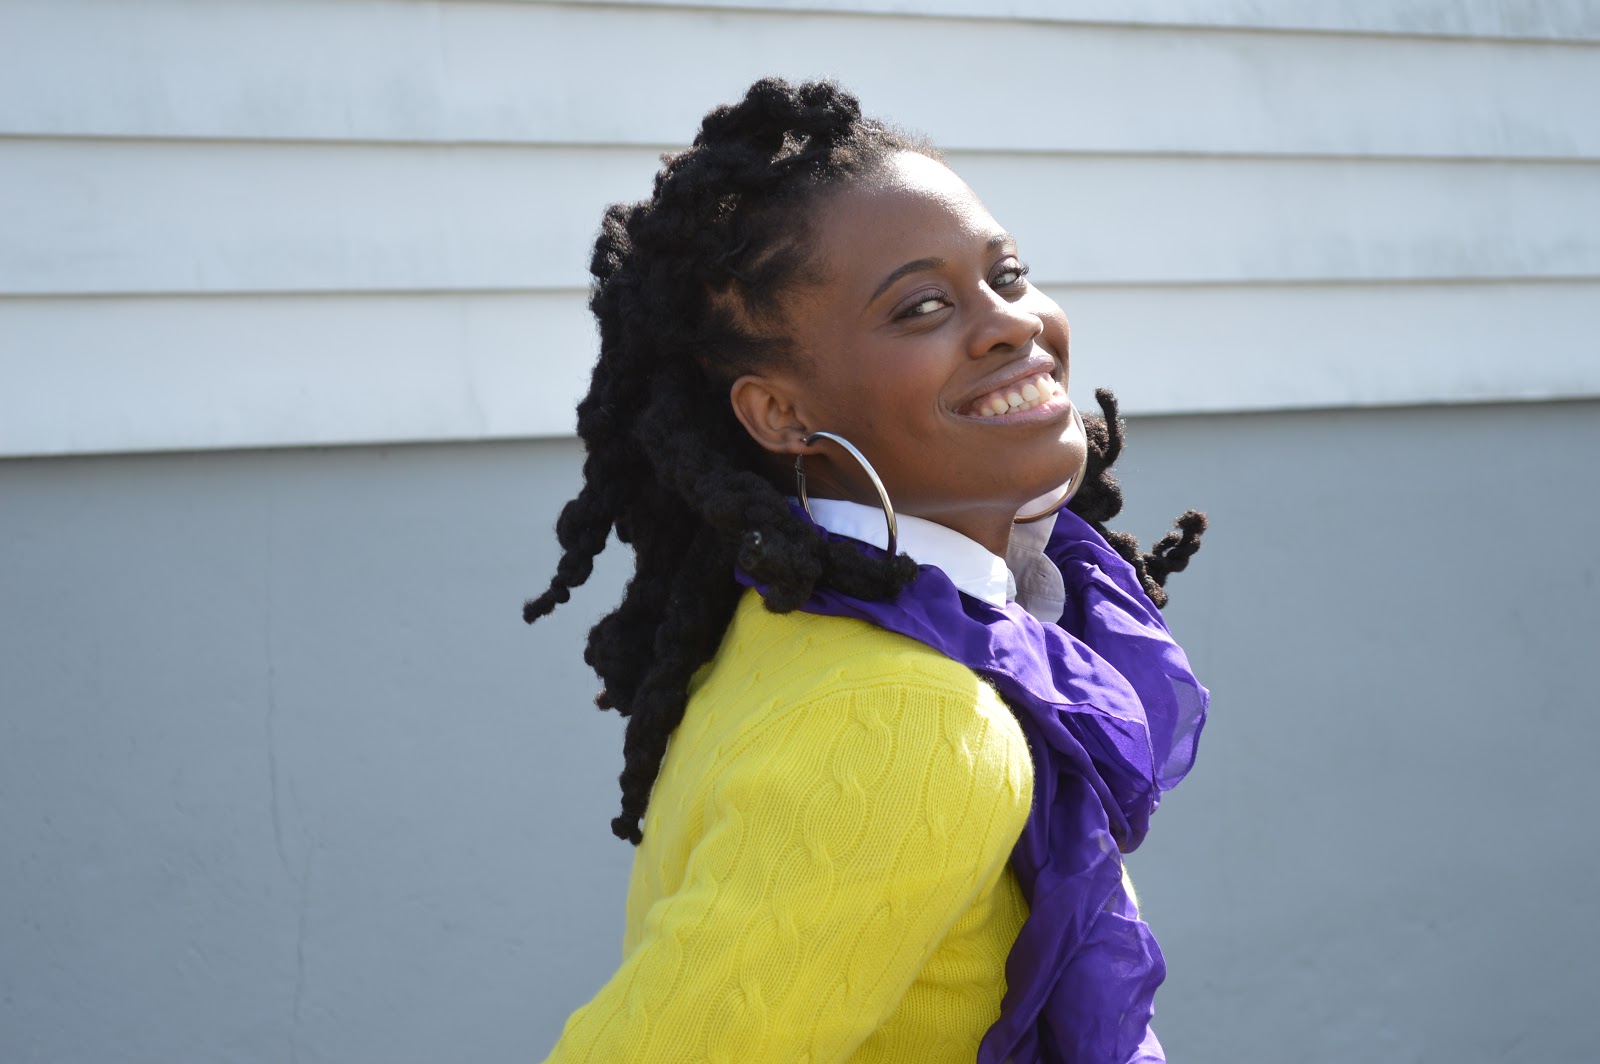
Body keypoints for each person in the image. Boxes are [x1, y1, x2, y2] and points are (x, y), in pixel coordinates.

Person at [525, 76, 1208, 1064]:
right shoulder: (913, 715)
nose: (1011, 322)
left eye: (1008, 274)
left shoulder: (797, 621)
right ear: (781, 414)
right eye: (922, 305)